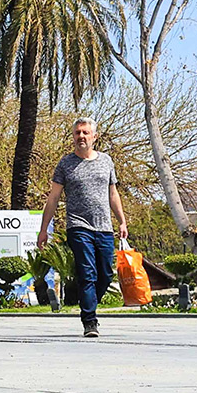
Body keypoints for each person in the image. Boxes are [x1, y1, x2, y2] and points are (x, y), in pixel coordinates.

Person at [35, 118, 128, 338]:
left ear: (94, 136)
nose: (81, 136)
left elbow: (113, 194)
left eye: (86, 133)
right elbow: (53, 197)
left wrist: (122, 221)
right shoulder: (65, 164)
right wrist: (44, 229)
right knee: (88, 272)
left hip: (104, 227)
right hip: (78, 226)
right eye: (77, 133)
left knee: (105, 273)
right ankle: (90, 321)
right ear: (73, 137)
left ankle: (88, 301)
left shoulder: (106, 161)